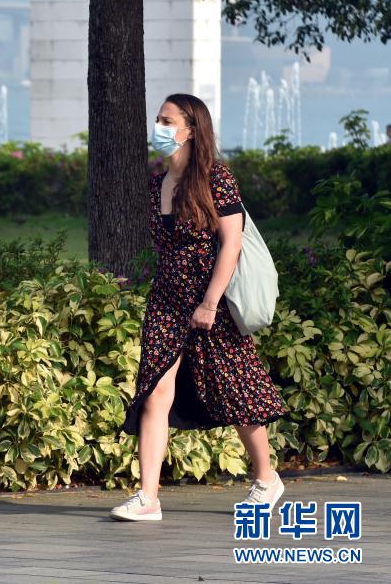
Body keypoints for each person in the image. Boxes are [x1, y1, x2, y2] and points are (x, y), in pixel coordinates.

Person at [111, 93, 287, 522]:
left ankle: (267, 478)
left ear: (190, 130)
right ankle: (148, 497)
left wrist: (209, 302)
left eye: (167, 121)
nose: (159, 127)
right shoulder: (157, 185)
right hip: (168, 300)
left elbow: (231, 244)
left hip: (213, 302)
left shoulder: (215, 178)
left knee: (235, 388)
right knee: (154, 390)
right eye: (158, 119)